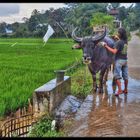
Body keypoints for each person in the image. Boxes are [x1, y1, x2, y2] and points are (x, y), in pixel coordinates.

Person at [102, 27, 128, 96]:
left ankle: (119, 90)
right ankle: (125, 89)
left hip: (119, 61)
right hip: (125, 60)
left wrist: (106, 46)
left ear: (120, 34)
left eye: (118, 33)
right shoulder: (125, 41)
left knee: (116, 75)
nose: (117, 33)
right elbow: (121, 43)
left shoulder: (118, 42)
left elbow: (114, 51)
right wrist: (117, 38)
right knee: (125, 76)